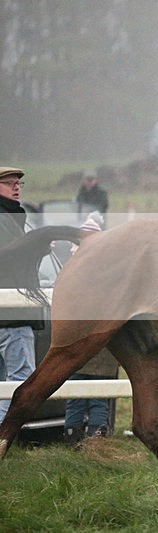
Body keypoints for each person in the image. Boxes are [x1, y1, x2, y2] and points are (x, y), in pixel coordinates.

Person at [63, 214, 119, 443]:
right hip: (102, 345)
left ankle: (74, 439)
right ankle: (95, 440)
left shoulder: (72, 267)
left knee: (77, 395)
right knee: (97, 396)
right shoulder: (112, 270)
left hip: (78, 344)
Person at [0, 167, 40, 425]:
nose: (16, 187)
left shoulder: (11, 217)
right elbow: (11, 259)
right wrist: (38, 247)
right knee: (22, 381)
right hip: (13, 318)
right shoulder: (5, 219)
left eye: (18, 184)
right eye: (9, 183)